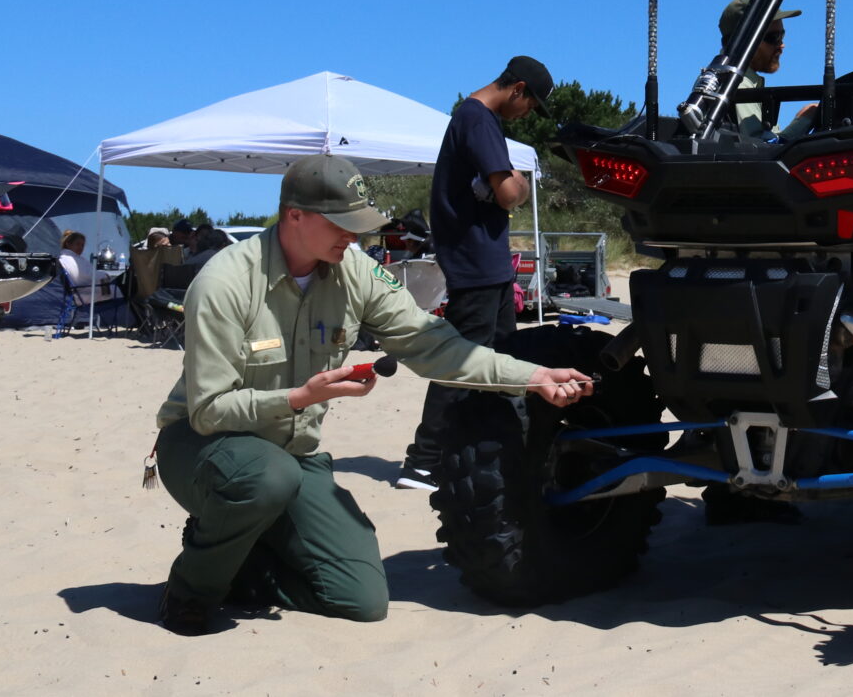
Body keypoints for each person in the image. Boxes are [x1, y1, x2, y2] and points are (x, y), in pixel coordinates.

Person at [152, 154, 591, 634]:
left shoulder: (355, 269)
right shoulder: (225, 282)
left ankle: (244, 566)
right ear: (294, 215)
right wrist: (300, 397)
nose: (354, 236)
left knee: (361, 598)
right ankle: (191, 589)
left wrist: (531, 377)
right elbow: (210, 411)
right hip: (201, 445)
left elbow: (431, 345)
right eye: (342, 224)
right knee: (264, 480)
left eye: (359, 225)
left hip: (288, 454)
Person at [395, 56, 555, 491]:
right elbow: (507, 193)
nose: (528, 114)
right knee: (462, 360)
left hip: (486, 261)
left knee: (501, 357)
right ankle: (423, 461)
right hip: (476, 262)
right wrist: (519, 184)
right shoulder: (478, 119)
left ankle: (495, 445)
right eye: (531, 105)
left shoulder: (472, 119)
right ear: (517, 89)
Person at [720, 0, 814, 142]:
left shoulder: (742, 80)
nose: (781, 45)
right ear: (744, 40)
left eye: (782, 35)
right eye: (774, 38)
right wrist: (804, 120)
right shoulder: (736, 83)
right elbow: (763, 151)